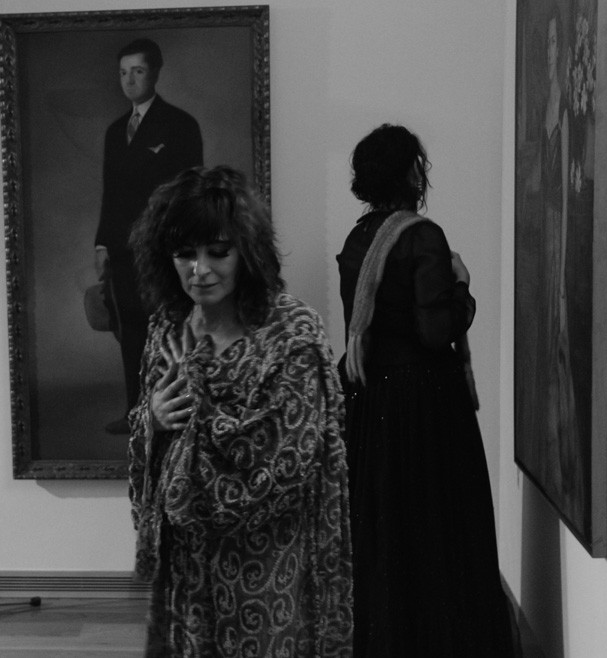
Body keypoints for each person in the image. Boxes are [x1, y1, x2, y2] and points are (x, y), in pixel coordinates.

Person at [127, 165, 353, 656]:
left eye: (218, 251)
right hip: (188, 559)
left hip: (264, 556)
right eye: (185, 254)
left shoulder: (291, 333)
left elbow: (290, 461)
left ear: (246, 250)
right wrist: (153, 419)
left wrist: (201, 410)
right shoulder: (167, 326)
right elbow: (151, 428)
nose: (200, 270)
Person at [336, 124, 514, 656]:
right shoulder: (421, 235)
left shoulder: (358, 237)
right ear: (411, 172)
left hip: (370, 401)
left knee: (385, 536)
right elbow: (436, 331)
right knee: (436, 532)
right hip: (424, 408)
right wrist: (463, 286)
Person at [95, 38, 203, 434]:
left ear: (155, 73)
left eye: (137, 71)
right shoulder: (114, 132)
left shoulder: (180, 125)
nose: (129, 80)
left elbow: (191, 192)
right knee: (130, 331)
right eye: (123, 73)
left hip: (164, 249)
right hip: (123, 251)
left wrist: (183, 247)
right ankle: (136, 412)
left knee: (169, 329)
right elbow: (110, 193)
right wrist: (102, 242)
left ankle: (176, 412)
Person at [537, 3, 584, 524]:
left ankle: (565, 450)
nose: (551, 52)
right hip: (546, 229)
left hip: (558, 232)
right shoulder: (546, 105)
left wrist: (562, 250)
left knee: (561, 336)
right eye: (547, 45)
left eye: (556, 45)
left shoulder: (565, 111)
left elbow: (566, 200)